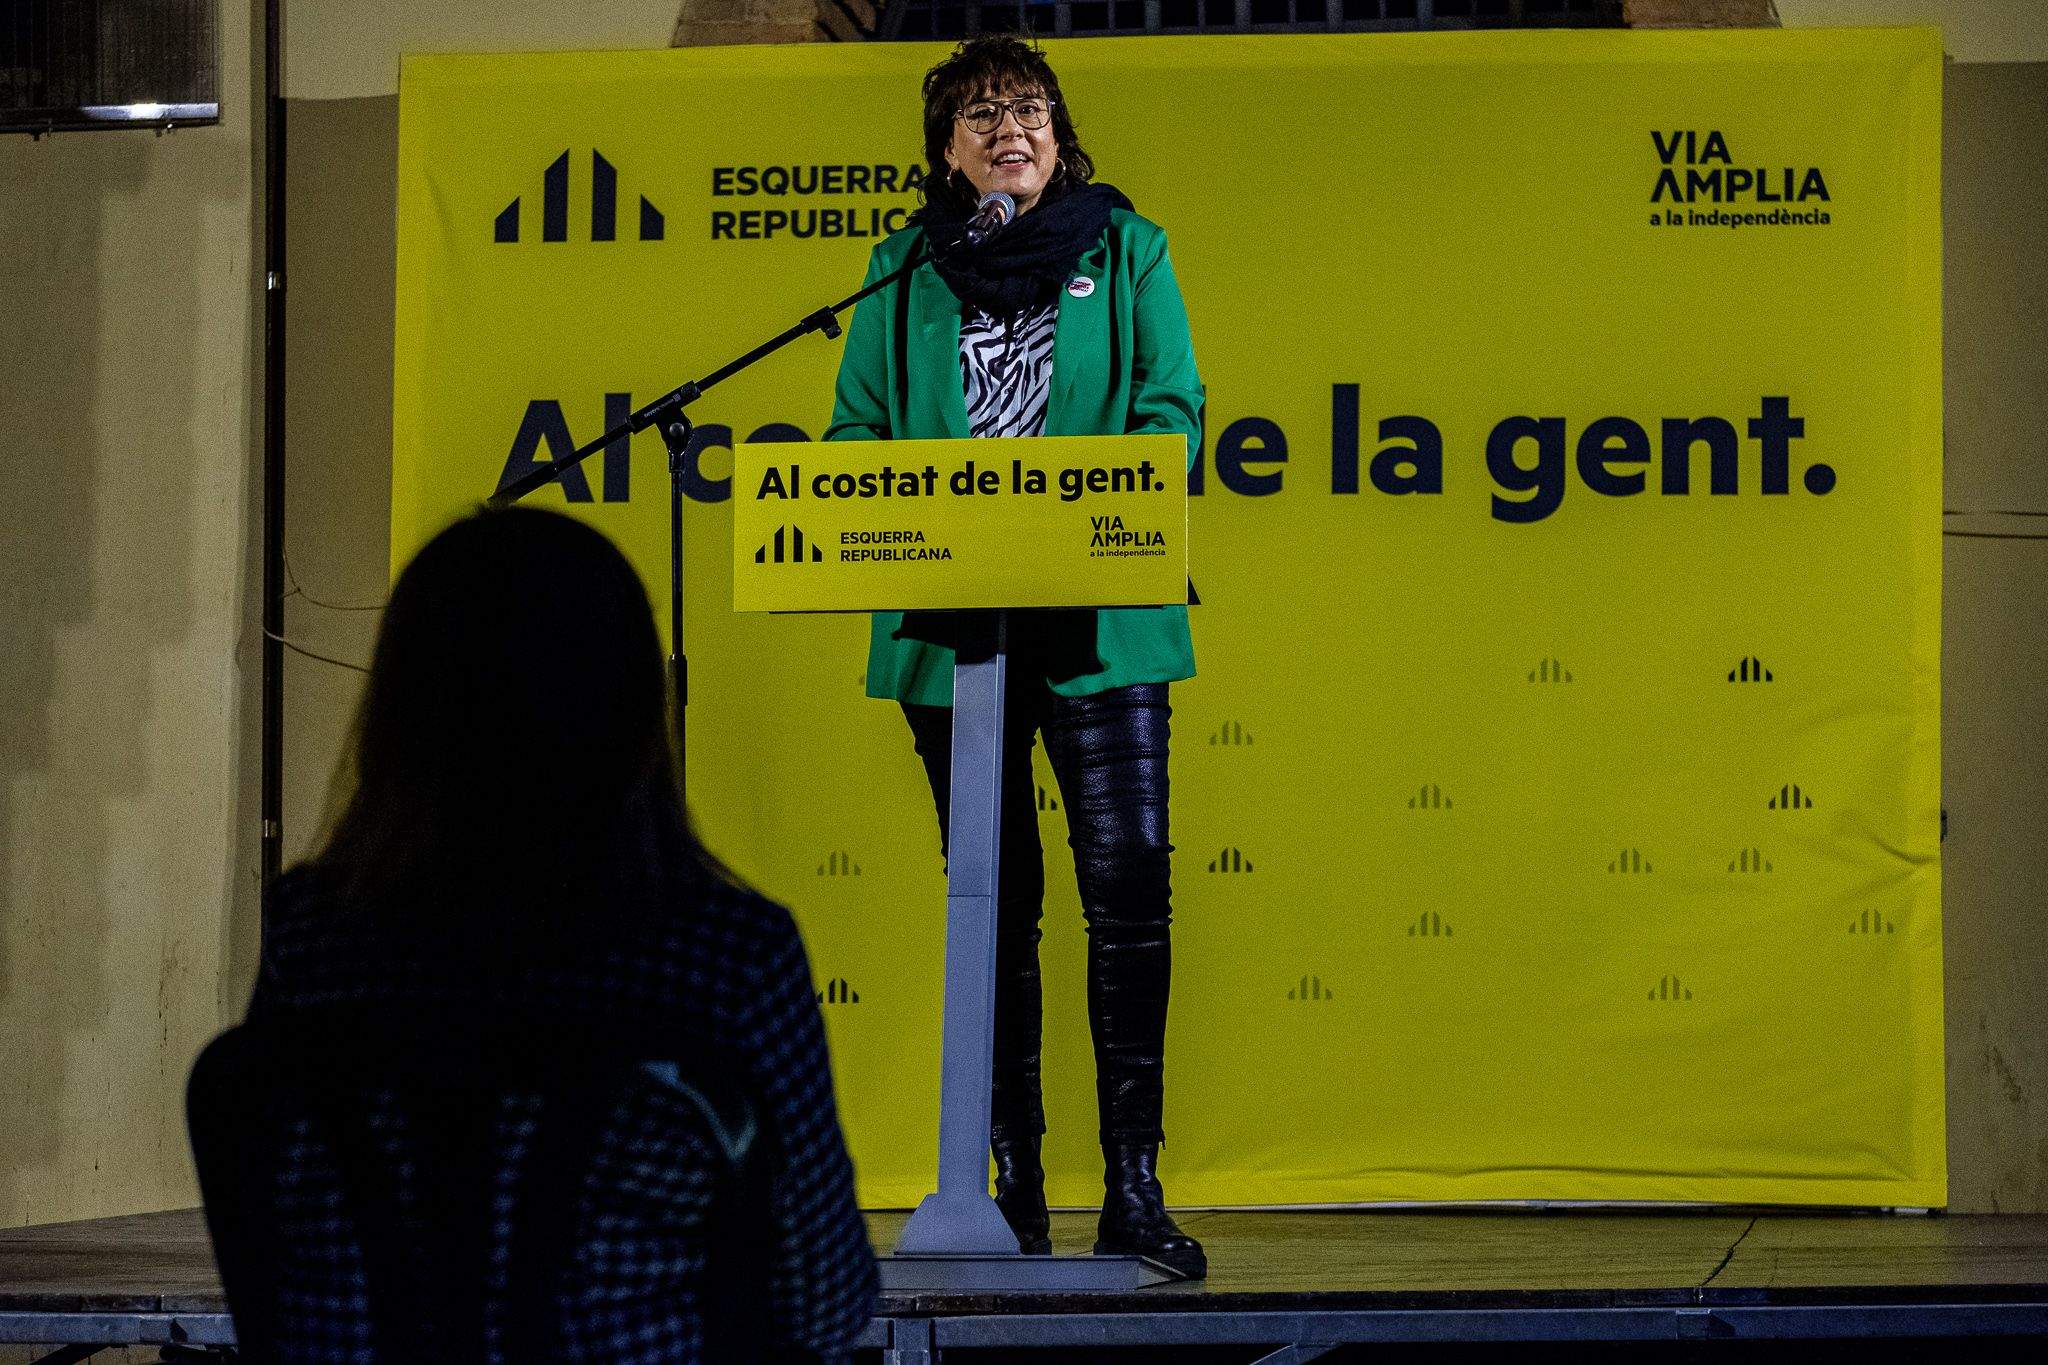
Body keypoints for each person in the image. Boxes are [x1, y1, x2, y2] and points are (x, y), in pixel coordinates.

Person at [249, 507, 878, 1359]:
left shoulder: (311, 938)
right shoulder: (731, 958)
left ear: (400, 710)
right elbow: (827, 1304)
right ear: (630, 709)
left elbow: (269, 1249)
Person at [825, 34, 1207, 1279]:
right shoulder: (900, 270)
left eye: (1029, 110)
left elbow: (1170, 413)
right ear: (943, 150)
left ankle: (1134, 1189)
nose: (1009, 131)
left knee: (1127, 884)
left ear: (1061, 133)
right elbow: (854, 436)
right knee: (996, 903)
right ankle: (1010, 1187)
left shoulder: (1125, 249)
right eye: (980, 116)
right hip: (956, 637)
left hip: (1101, 623)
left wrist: (1071, 507)